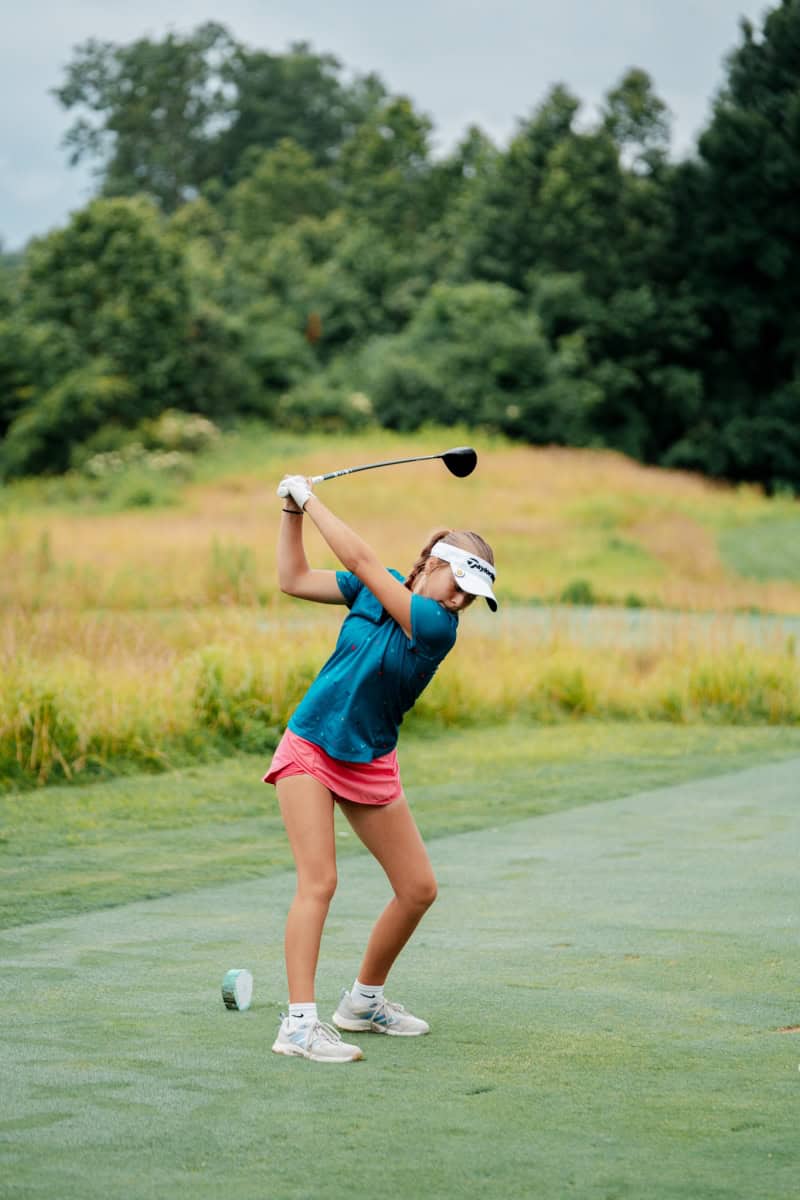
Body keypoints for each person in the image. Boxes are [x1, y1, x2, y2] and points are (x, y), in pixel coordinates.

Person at [265, 472, 497, 1063]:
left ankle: (363, 1003)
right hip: (312, 744)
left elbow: (363, 561)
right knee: (319, 881)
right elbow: (293, 579)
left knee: (418, 889)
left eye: (471, 597)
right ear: (434, 564)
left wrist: (312, 498)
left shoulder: (437, 625)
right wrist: (291, 512)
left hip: (369, 759)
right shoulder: (379, 590)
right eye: (458, 585)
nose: (460, 601)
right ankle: (299, 1025)